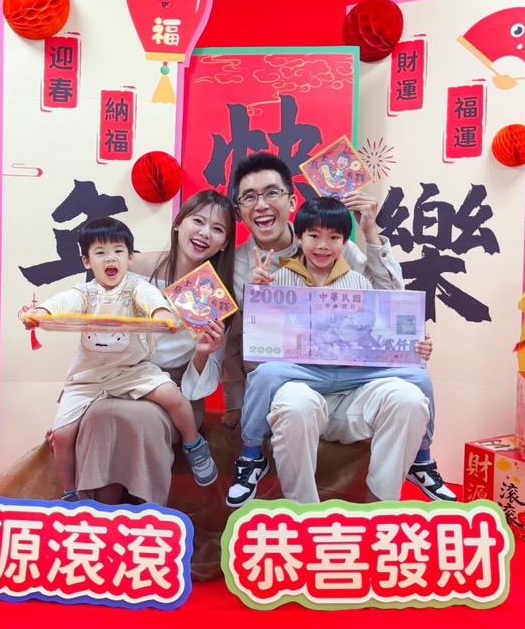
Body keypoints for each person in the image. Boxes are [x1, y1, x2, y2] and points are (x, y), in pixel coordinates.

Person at [222, 152, 454, 503]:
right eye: (250, 197)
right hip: (297, 379)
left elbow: (390, 305)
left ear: (291, 201)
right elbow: (239, 342)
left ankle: (409, 475)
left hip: (353, 378)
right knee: (271, 380)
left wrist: (410, 345)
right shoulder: (251, 270)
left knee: (415, 383)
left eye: (271, 192)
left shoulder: (351, 269)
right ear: (239, 210)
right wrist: (261, 301)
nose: (262, 204)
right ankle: (264, 469)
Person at [23, 215, 218, 501]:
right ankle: (70, 493)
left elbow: (152, 301)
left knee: (172, 395)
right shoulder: (85, 293)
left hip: (133, 370)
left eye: (118, 251)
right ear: (87, 261)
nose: (110, 258)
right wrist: (42, 314)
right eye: (100, 253)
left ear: (130, 257)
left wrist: (161, 314)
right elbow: (64, 302)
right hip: (89, 377)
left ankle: (194, 445)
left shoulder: (136, 287)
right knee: (62, 435)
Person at [75, 190, 236, 505]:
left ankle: (146, 519)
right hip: (116, 379)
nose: (205, 233)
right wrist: (75, 401)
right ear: (178, 223)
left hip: (174, 393)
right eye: (198, 221)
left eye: (217, 229)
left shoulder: (216, 296)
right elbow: (96, 335)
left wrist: (202, 353)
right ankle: (99, 517)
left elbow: (198, 386)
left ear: (224, 243)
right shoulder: (131, 267)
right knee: (102, 414)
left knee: (138, 418)